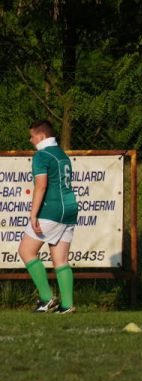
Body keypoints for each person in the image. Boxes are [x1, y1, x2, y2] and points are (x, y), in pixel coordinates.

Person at [18, 120, 78, 314]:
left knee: (26, 251)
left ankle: (46, 299)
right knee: (60, 259)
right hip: (69, 209)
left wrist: (33, 214)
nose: (30, 139)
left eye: (32, 136)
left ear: (41, 136)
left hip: (51, 210)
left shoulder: (41, 155)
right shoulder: (62, 154)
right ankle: (67, 305)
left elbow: (41, 185)